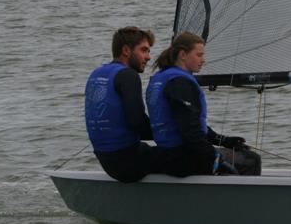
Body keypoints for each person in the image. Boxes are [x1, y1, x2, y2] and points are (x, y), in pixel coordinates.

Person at [146, 32, 262, 177]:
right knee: (251, 160)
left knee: (229, 158)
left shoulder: (160, 79)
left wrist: (222, 140)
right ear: (182, 54)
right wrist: (213, 157)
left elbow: (187, 123)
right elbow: (190, 132)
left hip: (168, 153)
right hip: (183, 158)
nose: (203, 60)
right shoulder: (180, 83)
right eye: (199, 55)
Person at [85, 26, 186, 182]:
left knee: (161, 152)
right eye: (144, 50)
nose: (148, 57)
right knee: (195, 157)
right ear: (126, 50)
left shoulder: (96, 74)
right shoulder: (128, 75)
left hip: (106, 159)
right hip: (128, 162)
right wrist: (176, 133)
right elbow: (137, 122)